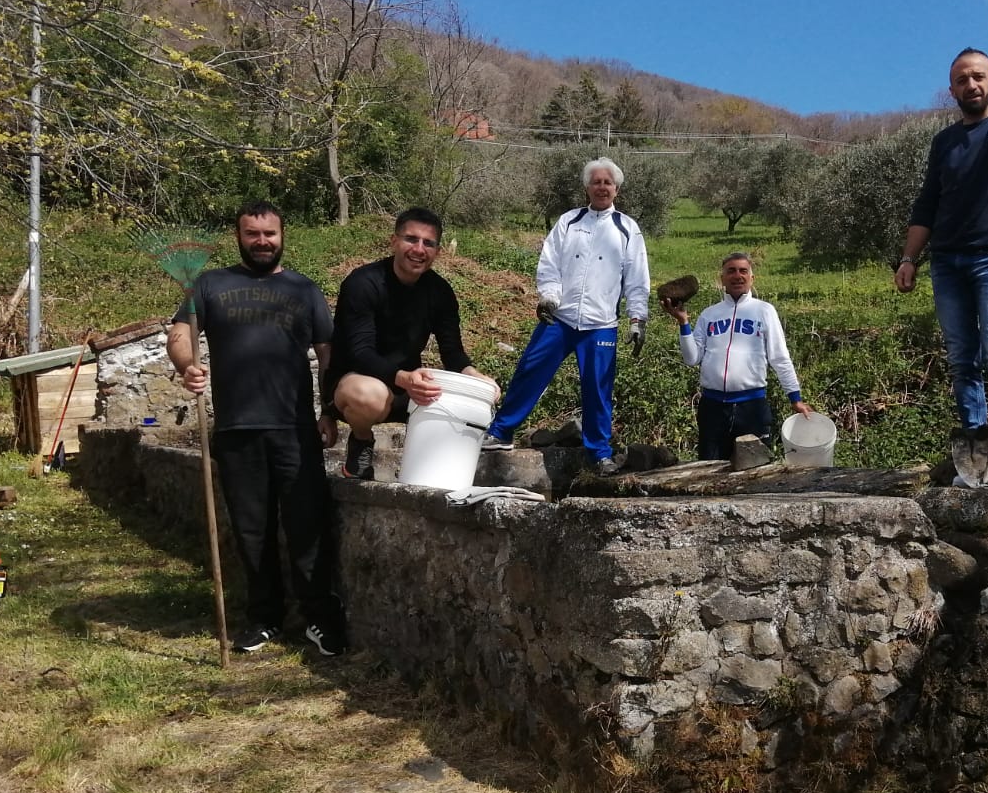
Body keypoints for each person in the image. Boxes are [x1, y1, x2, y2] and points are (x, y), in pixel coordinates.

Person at [168, 199, 347, 656]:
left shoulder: (305, 290)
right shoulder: (209, 284)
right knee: (252, 529)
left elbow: (328, 355)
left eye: (269, 234)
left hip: (294, 428)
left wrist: (329, 409)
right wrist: (188, 366)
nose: (262, 241)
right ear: (239, 236)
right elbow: (179, 334)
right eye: (253, 234)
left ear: (282, 235)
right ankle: (264, 619)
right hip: (235, 429)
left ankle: (318, 619)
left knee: (307, 524)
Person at [894, 17, 988, 486]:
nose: (971, 83)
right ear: (952, 89)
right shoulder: (944, 142)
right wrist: (908, 258)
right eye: (962, 79)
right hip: (947, 261)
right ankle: (980, 450)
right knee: (962, 357)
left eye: (979, 76)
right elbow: (928, 203)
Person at [481, 157, 651, 475]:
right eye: (596, 181)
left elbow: (637, 278)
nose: (602, 187)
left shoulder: (628, 229)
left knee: (598, 389)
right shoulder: (569, 221)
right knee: (530, 370)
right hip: (559, 317)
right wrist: (549, 297)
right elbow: (549, 264)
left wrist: (637, 318)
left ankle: (599, 453)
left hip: (601, 324)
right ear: (587, 187)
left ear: (617, 189)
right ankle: (501, 431)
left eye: (608, 182)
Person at [321, 207, 497, 482]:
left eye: (428, 243)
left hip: (405, 386)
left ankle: (429, 468)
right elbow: (360, 352)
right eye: (411, 239)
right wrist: (403, 378)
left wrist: (477, 378)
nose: (419, 249)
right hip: (355, 381)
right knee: (371, 395)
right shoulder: (363, 283)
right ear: (394, 242)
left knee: (456, 396)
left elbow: (452, 353)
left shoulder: (440, 292)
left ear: (438, 251)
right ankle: (361, 441)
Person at [662, 252, 812, 460]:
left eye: (743, 271)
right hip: (713, 407)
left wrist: (795, 398)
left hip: (752, 407)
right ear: (722, 278)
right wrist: (683, 322)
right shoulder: (709, 314)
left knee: (755, 470)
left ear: (752, 278)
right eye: (731, 271)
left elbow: (780, 357)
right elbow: (691, 358)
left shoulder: (764, 311)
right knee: (710, 471)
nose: (737, 275)